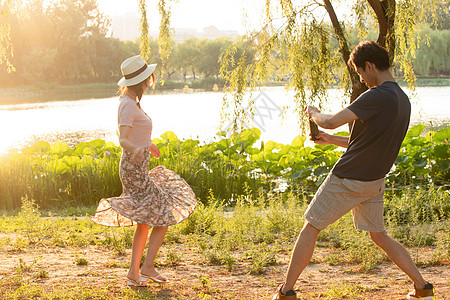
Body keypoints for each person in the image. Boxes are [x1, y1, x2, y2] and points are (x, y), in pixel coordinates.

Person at [272, 41, 435, 300]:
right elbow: (367, 143)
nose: (361, 78)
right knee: (378, 235)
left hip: (348, 178)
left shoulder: (376, 95)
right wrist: (329, 138)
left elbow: (331, 120)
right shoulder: (402, 100)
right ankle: (422, 287)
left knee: (311, 227)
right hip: (374, 181)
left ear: (370, 66)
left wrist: (314, 114)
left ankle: (286, 291)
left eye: (360, 73)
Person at [90, 55, 197, 287]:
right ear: (140, 82)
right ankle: (143, 268)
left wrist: (148, 145)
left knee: (148, 219)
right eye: (148, 80)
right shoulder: (127, 104)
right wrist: (137, 149)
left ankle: (138, 271)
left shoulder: (131, 102)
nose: (150, 83)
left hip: (138, 166)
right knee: (162, 212)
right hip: (133, 169)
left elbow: (137, 133)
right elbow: (123, 139)